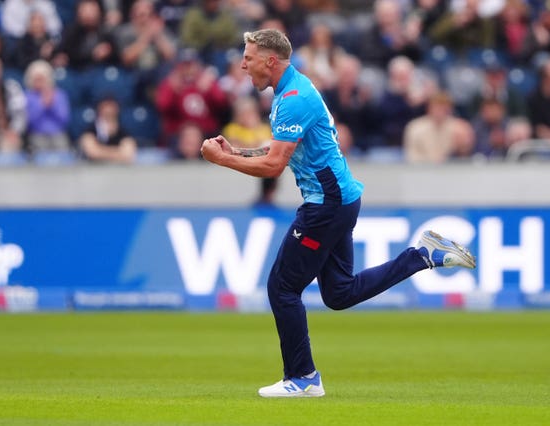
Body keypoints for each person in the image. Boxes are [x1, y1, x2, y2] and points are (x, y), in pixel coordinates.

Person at [200, 28, 476, 398]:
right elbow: (280, 149)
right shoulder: (293, 90)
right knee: (339, 293)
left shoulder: (293, 98)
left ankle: (303, 378)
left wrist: (223, 161)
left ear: (270, 60)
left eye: (248, 58)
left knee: (282, 288)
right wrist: (236, 151)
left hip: (326, 205)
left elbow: (274, 166)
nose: (243, 65)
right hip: (338, 200)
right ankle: (422, 255)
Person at [155, 48, 229, 144]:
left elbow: (221, 103)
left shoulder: (206, 81)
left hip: (207, 132)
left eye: (191, 65)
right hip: (178, 134)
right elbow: (162, 106)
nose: (188, 69)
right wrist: (172, 89)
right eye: (185, 65)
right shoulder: (172, 83)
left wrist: (211, 88)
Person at [23, 60, 71, 153]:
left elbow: (64, 119)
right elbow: (29, 121)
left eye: (41, 79)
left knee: (61, 145)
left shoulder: (59, 95)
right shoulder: (28, 96)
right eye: (36, 79)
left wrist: (52, 106)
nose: (39, 82)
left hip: (58, 134)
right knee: (39, 144)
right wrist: (42, 106)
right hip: (36, 135)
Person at [79, 97, 137, 163]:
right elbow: (92, 152)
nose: (108, 110)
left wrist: (100, 151)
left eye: (111, 107)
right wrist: (118, 152)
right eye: (105, 107)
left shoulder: (124, 132)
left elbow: (128, 154)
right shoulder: (90, 130)